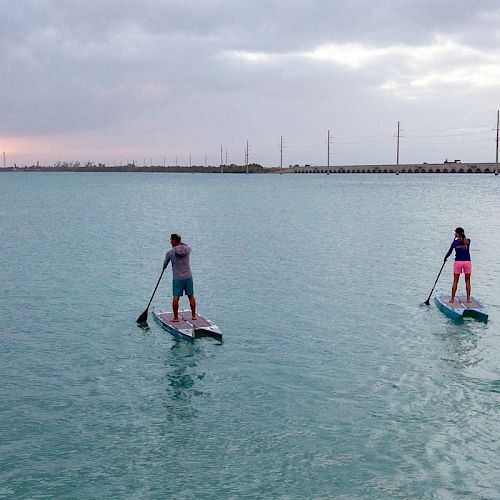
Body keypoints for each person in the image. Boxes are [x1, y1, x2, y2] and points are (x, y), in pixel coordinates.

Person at [163, 233, 196, 322]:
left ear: (174, 241)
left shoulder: (170, 253)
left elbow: (165, 263)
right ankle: (193, 316)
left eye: (171, 240)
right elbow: (186, 245)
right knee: (191, 296)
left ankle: (176, 318)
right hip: (188, 277)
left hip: (178, 279)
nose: (170, 241)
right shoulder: (187, 249)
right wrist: (180, 242)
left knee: (176, 297)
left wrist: (163, 268)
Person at [444, 227, 471, 303]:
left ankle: (452, 299)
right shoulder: (468, 241)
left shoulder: (455, 243)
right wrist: (459, 237)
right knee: (468, 281)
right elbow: (464, 240)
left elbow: (450, 252)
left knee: (455, 281)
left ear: (458, 234)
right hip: (467, 262)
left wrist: (445, 258)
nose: (454, 234)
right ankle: (468, 299)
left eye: (455, 233)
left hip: (458, 262)